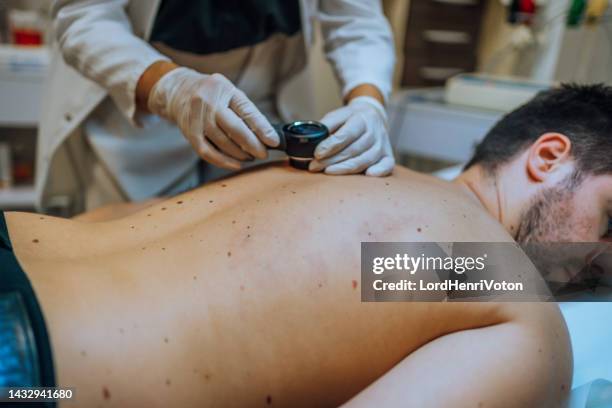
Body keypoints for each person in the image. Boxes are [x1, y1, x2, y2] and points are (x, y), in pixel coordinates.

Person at [4, 83, 612, 406]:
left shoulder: (336, 170)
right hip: (28, 371)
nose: (600, 264)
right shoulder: (503, 284)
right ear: (550, 157)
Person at [36, 0, 396, 214]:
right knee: (136, 256)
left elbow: (357, 20)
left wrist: (368, 103)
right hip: (143, 93)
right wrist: (171, 88)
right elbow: (84, 19)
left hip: (265, 94)